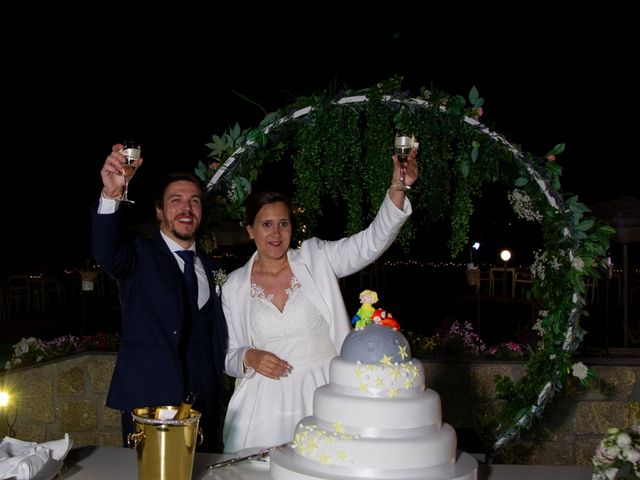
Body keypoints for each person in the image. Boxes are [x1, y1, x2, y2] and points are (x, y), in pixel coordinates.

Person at [221, 148, 418, 452]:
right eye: (266, 224)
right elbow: (230, 355)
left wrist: (398, 188)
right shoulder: (234, 285)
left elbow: (370, 243)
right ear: (250, 230)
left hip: (323, 392)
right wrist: (250, 356)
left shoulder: (318, 258)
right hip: (263, 405)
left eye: (283, 223)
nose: (276, 233)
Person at [91, 143, 228, 452]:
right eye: (176, 200)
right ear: (159, 211)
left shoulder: (214, 266)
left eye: (194, 201)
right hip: (150, 407)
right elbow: (106, 251)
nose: (186, 208)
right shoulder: (139, 256)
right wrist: (112, 195)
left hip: (205, 412)